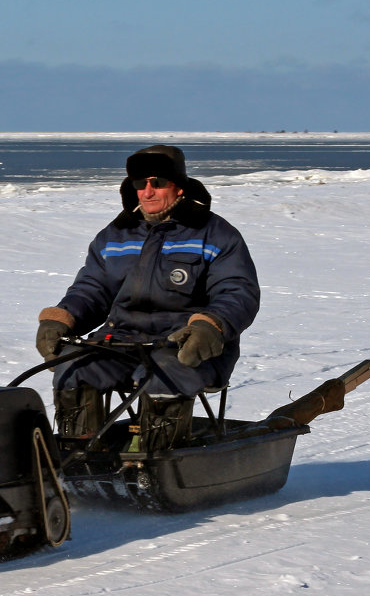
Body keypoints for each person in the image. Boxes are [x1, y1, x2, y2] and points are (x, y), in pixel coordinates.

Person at [35, 144, 260, 450]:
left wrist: (211, 325)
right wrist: (62, 318)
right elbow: (92, 289)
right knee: (74, 368)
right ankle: (79, 456)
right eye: (140, 184)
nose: (148, 192)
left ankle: (156, 463)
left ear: (179, 187)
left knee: (165, 376)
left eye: (158, 183)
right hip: (123, 339)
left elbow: (238, 291)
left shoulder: (215, 234)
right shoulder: (114, 236)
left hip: (185, 344)